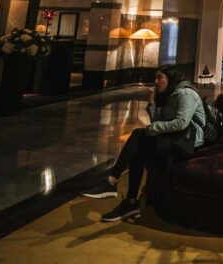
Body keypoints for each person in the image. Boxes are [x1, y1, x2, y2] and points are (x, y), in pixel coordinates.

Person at [82, 65, 208, 222]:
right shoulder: (168, 94)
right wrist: (152, 102)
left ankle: (113, 182)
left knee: (137, 135)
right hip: (175, 137)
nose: (155, 81)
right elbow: (157, 122)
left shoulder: (186, 93)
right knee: (138, 149)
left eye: (159, 77)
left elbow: (181, 123)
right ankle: (130, 200)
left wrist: (154, 128)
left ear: (170, 78)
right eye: (155, 77)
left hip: (190, 140)